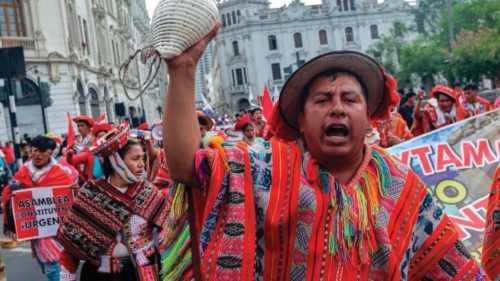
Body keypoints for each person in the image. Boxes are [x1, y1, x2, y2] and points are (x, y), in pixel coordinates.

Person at [162, 24, 485, 280]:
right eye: (322, 100)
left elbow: (451, 264)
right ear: (301, 120)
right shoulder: (263, 168)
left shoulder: (400, 183)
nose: (337, 109)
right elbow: (186, 167)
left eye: (350, 99)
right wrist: (183, 70)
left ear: (367, 113)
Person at [58, 124, 170, 281]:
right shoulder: (91, 194)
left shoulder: (148, 192)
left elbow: (172, 231)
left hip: (144, 272)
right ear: (117, 161)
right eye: (136, 158)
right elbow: (72, 246)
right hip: (101, 275)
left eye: (143, 158)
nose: (142, 165)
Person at [2, 136, 74, 281]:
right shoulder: (24, 171)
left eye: (42, 151)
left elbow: (69, 197)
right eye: (34, 150)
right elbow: (9, 192)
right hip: (34, 225)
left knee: (51, 265)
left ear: (51, 153)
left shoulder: (60, 172)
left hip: (55, 228)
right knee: (43, 262)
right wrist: (12, 192)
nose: (37, 155)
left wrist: (74, 191)